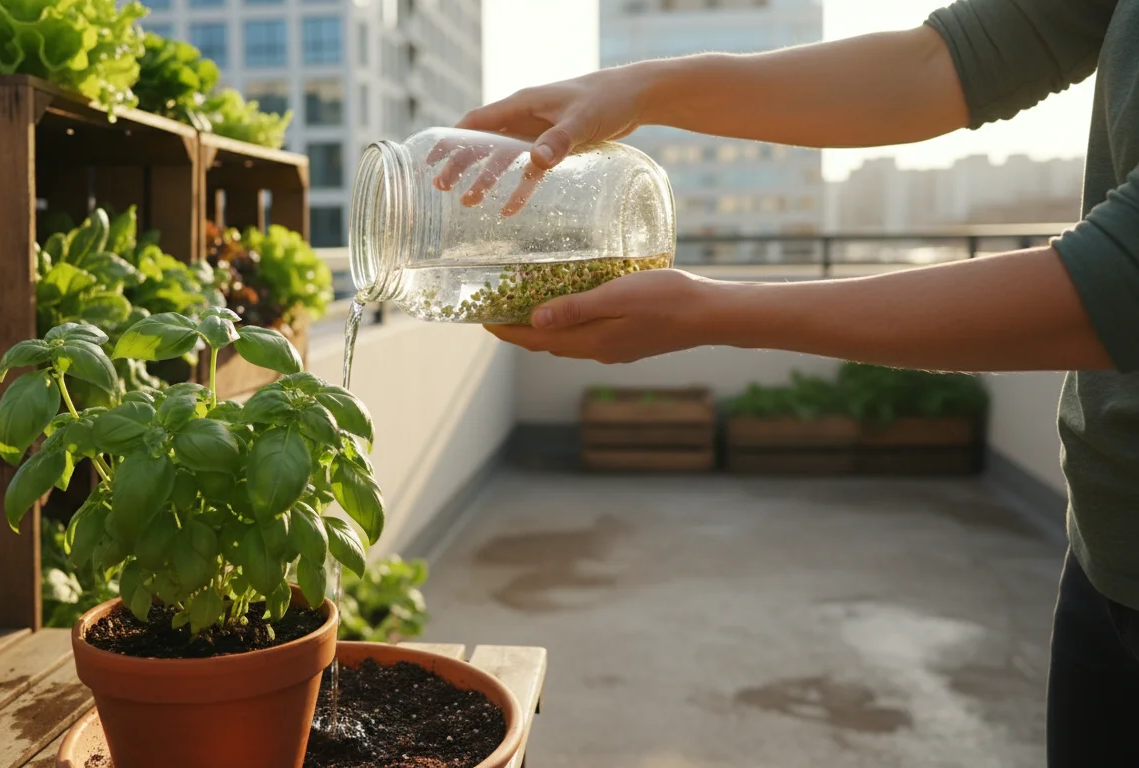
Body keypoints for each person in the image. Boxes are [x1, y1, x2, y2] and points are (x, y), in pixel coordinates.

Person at [437, 1, 1139, 764]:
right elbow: (949, 61)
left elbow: (1118, 282)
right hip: (1107, 537)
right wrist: (643, 88)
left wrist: (714, 312)